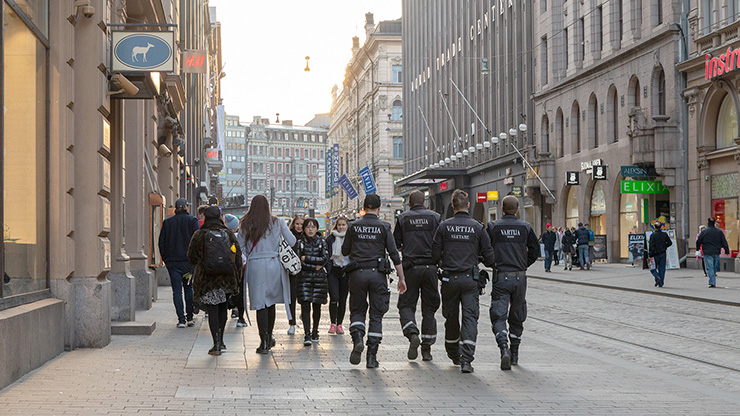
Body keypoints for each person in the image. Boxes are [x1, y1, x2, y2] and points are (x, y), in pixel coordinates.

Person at [432, 189, 495, 374]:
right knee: (470, 319)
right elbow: (491, 258)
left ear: (453, 206)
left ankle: (454, 354)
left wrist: (445, 259)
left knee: (451, 318)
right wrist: (479, 257)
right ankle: (467, 360)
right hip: (470, 280)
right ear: (468, 205)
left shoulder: (444, 227)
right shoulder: (477, 227)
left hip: (449, 279)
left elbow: (434, 254)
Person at [342, 193, 407, 368]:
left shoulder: (353, 226)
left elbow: (344, 250)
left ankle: (357, 338)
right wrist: (401, 278)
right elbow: (394, 254)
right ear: (379, 209)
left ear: (363, 208)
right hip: (377, 275)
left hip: (357, 274)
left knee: (357, 310)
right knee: (376, 314)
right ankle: (371, 357)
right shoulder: (384, 227)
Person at [238, 195, 297, 354]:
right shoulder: (277, 222)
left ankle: (263, 341)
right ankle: (269, 337)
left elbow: (239, 246)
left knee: (260, 304)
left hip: (255, 265)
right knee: (270, 303)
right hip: (273, 264)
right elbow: (292, 242)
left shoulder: (245, 224)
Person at [487, 195, 539, 371]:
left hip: (501, 276)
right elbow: (535, 250)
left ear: (502, 209)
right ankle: (515, 353)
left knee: (498, 314)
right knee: (517, 315)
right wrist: (523, 264)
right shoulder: (525, 227)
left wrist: (492, 263)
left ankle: (503, 347)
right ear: (517, 210)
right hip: (519, 277)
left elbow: (485, 250)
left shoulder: (493, 227)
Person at [187, 206, 242, 356]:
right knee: (223, 308)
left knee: (212, 310)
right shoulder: (229, 234)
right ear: (220, 217)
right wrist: (236, 276)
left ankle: (215, 343)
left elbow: (191, 256)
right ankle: (222, 340)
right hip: (226, 277)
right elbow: (236, 255)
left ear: (205, 217)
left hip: (207, 278)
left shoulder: (199, 234)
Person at [393, 190, 442, 361]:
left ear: (409, 203)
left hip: (410, 268)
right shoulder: (435, 217)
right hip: (430, 268)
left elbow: (396, 244)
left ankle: (412, 334)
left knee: (406, 305)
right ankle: (427, 349)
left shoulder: (403, 218)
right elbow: (440, 242)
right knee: (429, 309)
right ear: (425, 202)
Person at [158, 198, 200, 328]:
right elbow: (197, 241)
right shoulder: (192, 221)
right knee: (188, 288)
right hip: (188, 262)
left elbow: (161, 243)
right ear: (187, 207)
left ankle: (181, 319)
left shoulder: (167, 223)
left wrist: (166, 258)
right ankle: (190, 317)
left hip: (173, 263)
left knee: (176, 290)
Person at [295, 218, 329, 346]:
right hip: (304, 278)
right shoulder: (300, 243)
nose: (310, 229)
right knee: (305, 306)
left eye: (313, 227)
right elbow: (299, 261)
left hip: (319, 279)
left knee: (317, 306)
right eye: (308, 227)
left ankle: (315, 330)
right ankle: (307, 333)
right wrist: (314, 266)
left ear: (317, 228)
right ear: (304, 228)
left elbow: (324, 258)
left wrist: (307, 258)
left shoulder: (322, 242)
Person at [325, 216, 350, 335]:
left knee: (343, 299)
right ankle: (332, 323)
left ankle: (339, 324)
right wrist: (327, 269)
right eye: (339, 225)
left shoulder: (351, 238)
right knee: (334, 297)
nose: (341, 227)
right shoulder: (331, 238)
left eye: (343, 225)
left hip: (346, 271)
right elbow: (326, 253)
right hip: (333, 271)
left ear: (347, 226)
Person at [224, 214, 247, 328]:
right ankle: (241, 317)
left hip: (227, 268)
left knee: (227, 291)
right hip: (240, 269)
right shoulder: (240, 236)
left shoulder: (224, 236)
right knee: (241, 292)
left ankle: (230, 309)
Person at [696, 217, 730, 288]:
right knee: (714, 266)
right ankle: (712, 280)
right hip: (716, 251)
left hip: (707, 251)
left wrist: (697, 248)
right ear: (714, 223)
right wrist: (726, 250)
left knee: (710, 267)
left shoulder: (704, 232)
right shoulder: (719, 232)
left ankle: (712, 282)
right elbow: (724, 241)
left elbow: (698, 241)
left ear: (707, 223)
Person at [286, 214, 305, 335]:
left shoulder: (307, 236)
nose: (299, 226)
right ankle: (291, 322)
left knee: (303, 296)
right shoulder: (289, 236)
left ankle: (304, 316)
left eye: (301, 224)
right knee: (291, 297)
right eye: (297, 224)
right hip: (292, 271)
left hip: (304, 271)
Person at [648, 222, 672, 288]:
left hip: (655, 254)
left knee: (652, 268)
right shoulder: (664, 234)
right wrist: (665, 247)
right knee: (662, 269)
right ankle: (661, 283)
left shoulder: (653, 235)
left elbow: (651, 246)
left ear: (654, 227)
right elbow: (670, 243)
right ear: (661, 227)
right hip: (663, 253)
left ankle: (657, 276)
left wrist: (650, 254)